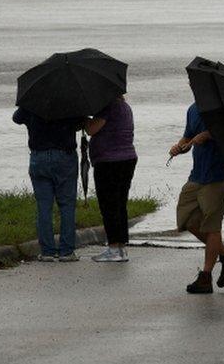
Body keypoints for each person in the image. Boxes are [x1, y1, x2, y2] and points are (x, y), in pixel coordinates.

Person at [169, 101, 224, 294]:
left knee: (212, 226)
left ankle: (205, 276)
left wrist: (209, 134)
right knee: (187, 220)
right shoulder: (193, 109)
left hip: (220, 175)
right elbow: (187, 137)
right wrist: (180, 147)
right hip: (197, 174)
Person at [13, 107, 84, 262]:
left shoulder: (32, 101)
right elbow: (81, 123)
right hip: (65, 156)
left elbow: (17, 118)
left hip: (39, 156)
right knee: (67, 205)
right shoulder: (69, 101)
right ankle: (66, 251)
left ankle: (47, 251)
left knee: (44, 206)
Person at [83, 95, 137, 263]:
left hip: (110, 161)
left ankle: (114, 247)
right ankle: (121, 247)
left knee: (109, 204)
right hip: (127, 157)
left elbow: (92, 129)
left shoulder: (108, 106)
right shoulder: (124, 107)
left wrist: (83, 119)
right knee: (120, 204)